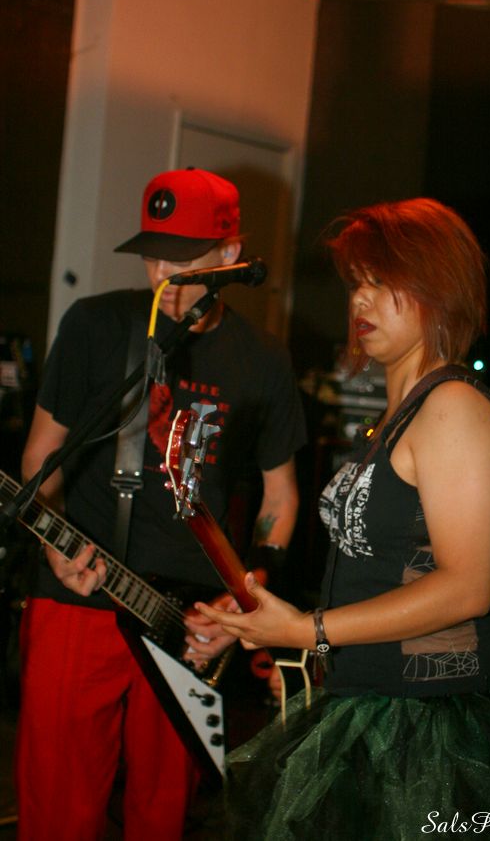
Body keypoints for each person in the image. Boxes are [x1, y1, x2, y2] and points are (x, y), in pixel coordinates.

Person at [199, 198, 490, 840]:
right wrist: (296, 636)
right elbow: (383, 572)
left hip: (435, 728)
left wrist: (308, 630)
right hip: (375, 705)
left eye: (382, 282)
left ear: (440, 290)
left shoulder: (452, 409)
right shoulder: (399, 415)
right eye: (357, 282)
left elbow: (466, 587)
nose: (360, 300)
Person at [15, 167, 306, 841]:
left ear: (231, 255)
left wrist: (247, 598)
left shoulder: (264, 359)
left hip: (193, 621)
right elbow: (40, 457)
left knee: (163, 812)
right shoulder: (95, 324)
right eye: (153, 257)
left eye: (185, 261)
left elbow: (281, 495)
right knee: (57, 809)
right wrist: (54, 547)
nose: (164, 278)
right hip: (80, 600)